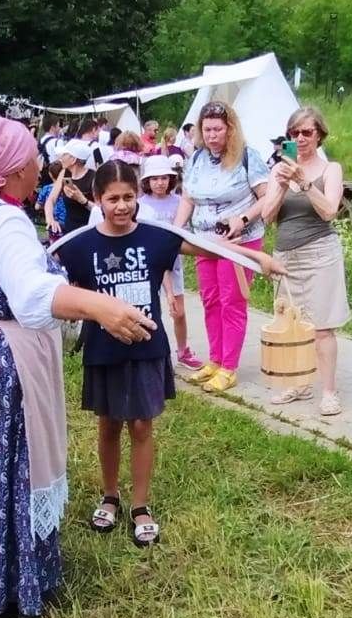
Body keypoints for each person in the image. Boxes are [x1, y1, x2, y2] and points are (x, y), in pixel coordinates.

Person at [0, 114, 157, 618]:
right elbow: (31, 294)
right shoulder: (3, 219)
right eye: (34, 158)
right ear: (17, 167)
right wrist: (101, 307)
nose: (41, 164)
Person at [56, 161, 283, 546]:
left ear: (138, 196)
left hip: (146, 349)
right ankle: (110, 495)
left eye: (129, 197)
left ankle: (140, 504)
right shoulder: (79, 246)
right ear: (97, 199)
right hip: (103, 349)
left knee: (142, 425)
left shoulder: (157, 237)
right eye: (113, 199)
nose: (122, 206)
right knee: (108, 424)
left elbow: (209, 249)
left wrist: (256, 258)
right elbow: (41, 277)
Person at [175, 101, 269, 393]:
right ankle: (215, 359)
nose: (212, 135)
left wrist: (242, 218)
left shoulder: (247, 157)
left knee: (232, 301)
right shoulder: (197, 158)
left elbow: (267, 197)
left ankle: (230, 366)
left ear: (230, 129)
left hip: (238, 241)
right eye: (207, 129)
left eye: (218, 129)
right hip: (204, 241)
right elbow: (188, 199)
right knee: (210, 299)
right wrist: (176, 231)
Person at [262, 106, 350, 416]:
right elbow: (267, 216)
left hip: (320, 254)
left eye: (307, 132)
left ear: (319, 135)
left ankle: (328, 391)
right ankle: (296, 384)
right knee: (291, 324)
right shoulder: (278, 172)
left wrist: (305, 183)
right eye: (294, 133)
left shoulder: (331, 169)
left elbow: (329, 212)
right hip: (286, 255)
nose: (300, 138)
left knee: (323, 327)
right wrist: (284, 183)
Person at [139, 155, 203, 371]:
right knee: (149, 309)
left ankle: (183, 350)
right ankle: (152, 352)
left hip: (173, 263)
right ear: (147, 181)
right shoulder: (141, 205)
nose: (160, 183)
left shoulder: (178, 202)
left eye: (164, 178)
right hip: (150, 264)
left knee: (178, 310)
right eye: (154, 178)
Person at [45, 140, 95, 235]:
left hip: (87, 232)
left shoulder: (93, 177)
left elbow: (101, 211)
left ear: (73, 159)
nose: (60, 158)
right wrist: (50, 219)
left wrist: (83, 200)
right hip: (68, 229)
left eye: (64, 155)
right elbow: (50, 200)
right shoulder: (65, 173)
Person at [35, 160, 66, 239]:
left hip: (52, 221)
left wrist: (45, 207)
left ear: (50, 174)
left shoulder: (46, 188)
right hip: (66, 221)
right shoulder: (67, 188)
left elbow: (37, 206)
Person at [38, 114, 60, 186]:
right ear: (53, 127)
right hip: (54, 176)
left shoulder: (40, 141)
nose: (59, 128)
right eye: (58, 125)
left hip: (42, 173)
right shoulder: (57, 142)